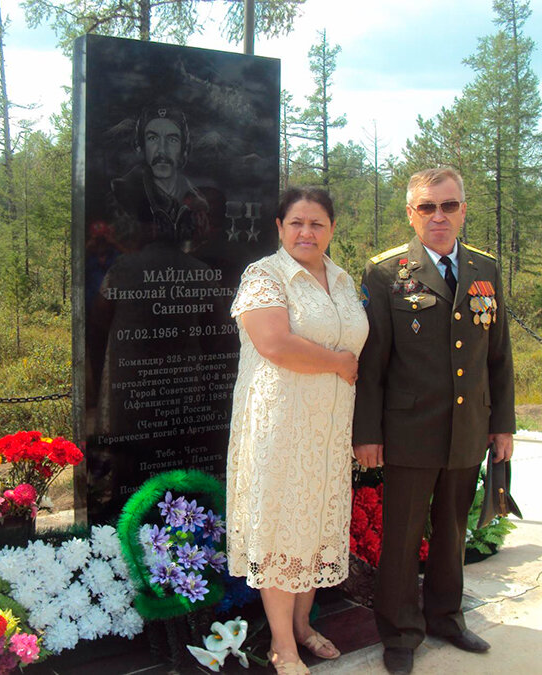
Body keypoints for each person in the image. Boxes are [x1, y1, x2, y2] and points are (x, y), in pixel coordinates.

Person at [352, 167, 515, 674]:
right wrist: (368, 434)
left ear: (464, 209)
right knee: (401, 538)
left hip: (467, 430)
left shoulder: (484, 269)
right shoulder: (386, 274)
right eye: (428, 207)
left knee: (451, 532)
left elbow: (500, 357)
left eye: (449, 205)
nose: (439, 216)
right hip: (408, 430)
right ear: (411, 213)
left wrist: (503, 425)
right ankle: (400, 634)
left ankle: (446, 616)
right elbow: (372, 364)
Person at [226, 188, 369, 674]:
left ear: (332, 228)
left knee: (313, 526)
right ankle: (283, 645)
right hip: (280, 425)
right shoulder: (265, 275)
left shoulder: (343, 279)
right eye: (297, 223)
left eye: (318, 223)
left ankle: (305, 625)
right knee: (283, 527)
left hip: (328, 431)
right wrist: (339, 363)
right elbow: (274, 343)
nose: (307, 232)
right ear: (279, 227)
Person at [110, 105, 209, 246]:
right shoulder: (121, 195)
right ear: (141, 146)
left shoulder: (198, 202)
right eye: (152, 138)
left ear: (184, 149)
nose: (162, 150)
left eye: (172, 139)